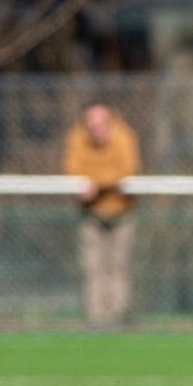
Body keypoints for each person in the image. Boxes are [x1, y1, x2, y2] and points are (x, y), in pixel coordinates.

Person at [61, 102, 141, 329]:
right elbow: (72, 170)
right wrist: (85, 185)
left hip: (122, 210)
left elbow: (127, 170)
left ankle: (118, 316)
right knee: (93, 266)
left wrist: (97, 183)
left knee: (118, 265)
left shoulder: (123, 137)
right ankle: (96, 318)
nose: (95, 128)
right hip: (90, 213)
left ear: (110, 122)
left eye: (101, 123)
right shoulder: (76, 139)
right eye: (91, 124)